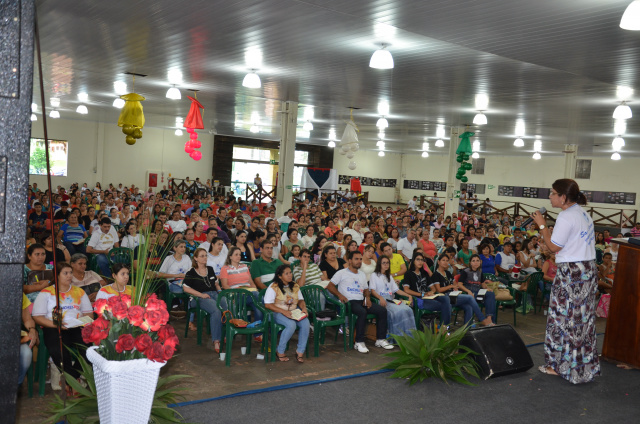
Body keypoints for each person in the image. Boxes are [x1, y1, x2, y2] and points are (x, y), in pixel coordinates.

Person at [531, 178, 599, 384]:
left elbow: (553, 248)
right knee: (581, 321)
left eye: (552, 193)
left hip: (571, 273)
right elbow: (563, 245)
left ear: (563, 197)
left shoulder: (566, 216)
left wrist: (542, 225)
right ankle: (582, 367)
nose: (550, 197)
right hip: (586, 270)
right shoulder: (583, 213)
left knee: (562, 319)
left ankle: (559, 366)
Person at [32, 263, 92, 395]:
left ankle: (72, 378)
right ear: (57, 275)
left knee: (88, 350)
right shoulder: (46, 293)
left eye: (70, 272)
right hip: (53, 327)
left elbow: (88, 314)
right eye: (66, 273)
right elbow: (37, 316)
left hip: (76, 326)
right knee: (57, 349)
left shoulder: (79, 292)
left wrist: (82, 321)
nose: (69, 276)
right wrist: (55, 325)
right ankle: (74, 382)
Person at [326, 250, 394, 353]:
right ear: (349, 261)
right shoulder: (341, 273)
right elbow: (330, 286)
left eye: (360, 259)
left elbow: (366, 289)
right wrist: (340, 295)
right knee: (362, 312)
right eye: (356, 259)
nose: (359, 261)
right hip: (349, 302)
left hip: (361, 301)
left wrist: (367, 298)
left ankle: (380, 339)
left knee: (382, 310)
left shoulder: (362, 274)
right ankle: (359, 342)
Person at [430, 253, 494, 326]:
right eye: (443, 260)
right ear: (438, 262)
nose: (445, 262)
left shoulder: (447, 273)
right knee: (470, 297)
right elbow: (439, 290)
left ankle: (467, 329)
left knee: (469, 306)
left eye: (447, 261)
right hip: (445, 297)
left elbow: (456, 284)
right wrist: (450, 286)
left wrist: (455, 287)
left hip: (454, 295)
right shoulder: (435, 274)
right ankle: (482, 319)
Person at [263, 265, 310, 363]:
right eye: (286, 273)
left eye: (290, 273)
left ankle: (300, 351)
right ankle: (280, 351)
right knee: (291, 325)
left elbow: (300, 300)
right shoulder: (273, 287)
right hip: (277, 312)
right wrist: (283, 311)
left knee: (306, 323)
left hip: (293, 311)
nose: (290, 275)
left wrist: (304, 308)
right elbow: (267, 305)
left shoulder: (295, 285)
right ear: (279, 276)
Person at [182, 248, 223, 353]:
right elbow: (185, 288)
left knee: (226, 305)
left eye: (206, 255)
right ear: (195, 258)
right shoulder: (191, 272)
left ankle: (226, 334)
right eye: (202, 256)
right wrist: (201, 295)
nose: (205, 258)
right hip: (198, 297)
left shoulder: (210, 269)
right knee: (216, 310)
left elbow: (216, 284)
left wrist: (220, 293)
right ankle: (216, 340)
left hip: (213, 294)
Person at [369, 256, 416, 339]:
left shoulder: (389, 276)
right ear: (379, 264)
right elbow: (372, 291)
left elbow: (397, 290)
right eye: (384, 263)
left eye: (387, 263)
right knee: (399, 312)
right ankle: (398, 338)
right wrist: (380, 298)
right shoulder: (374, 275)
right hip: (382, 299)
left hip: (391, 300)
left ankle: (410, 337)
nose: (386, 265)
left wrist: (408, 295)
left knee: (408, 310)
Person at [402, 253, 452, 327]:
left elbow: (433, 288)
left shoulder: (424, 273)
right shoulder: (408, 274)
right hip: (419, 299)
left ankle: (443, 327)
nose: (420, 262)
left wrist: (431, 292)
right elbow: (406, 290)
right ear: (413, 261)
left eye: (422, 260)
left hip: (429, 297)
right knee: (447, 306)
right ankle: (444, 328)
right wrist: (422, 294)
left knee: (446, 298)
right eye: (418, 259)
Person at [458, 255, 497, 321]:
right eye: (473, 261)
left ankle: (489, 318)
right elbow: (459, 284)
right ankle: (487, 320)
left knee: (490, 294)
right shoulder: (465, 271)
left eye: (477, 261)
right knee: (489, 301)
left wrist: (487, 288)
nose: (476, 262)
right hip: (470, 293)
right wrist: (468, 291)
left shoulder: (480, 272)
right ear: (470, 262)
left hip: (478, 293)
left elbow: (482, 283)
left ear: (480, 262)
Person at [18, 293, 39, 386]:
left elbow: (27, 319)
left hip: (15, 340)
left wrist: (32, 329)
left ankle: (16, 385)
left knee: (26, 354)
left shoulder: (18, 293)